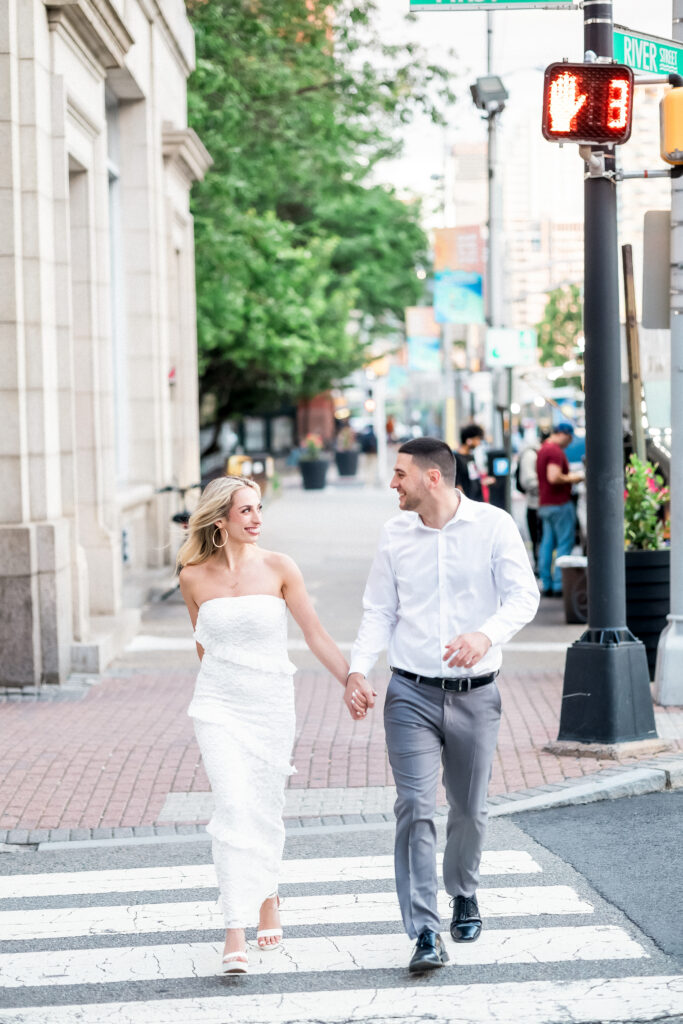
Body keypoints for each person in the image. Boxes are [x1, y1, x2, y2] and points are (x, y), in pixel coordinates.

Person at [346, 438, 539, 973]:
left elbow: (524, 596)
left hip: (476, 693)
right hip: (409, 692)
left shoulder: (494, 526)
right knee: (413, 807)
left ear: (433, 478)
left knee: (469, 809)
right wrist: (358, 668)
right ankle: (426, 930)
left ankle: (464, 889)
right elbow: (378, 610)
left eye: (400, 474)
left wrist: (485, 634)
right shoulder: (394, 534)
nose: (392, 483)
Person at [177, 476, 353, 975]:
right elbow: (202, 644)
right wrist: (223, 687)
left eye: (258, 509)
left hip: (271, 703)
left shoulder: (280, 567)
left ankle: (268, 894)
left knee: (264, 805)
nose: (256, 519)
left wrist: (350, 680)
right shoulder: (191, 576)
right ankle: (235, 925)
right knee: (232, 806)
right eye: (246, 511)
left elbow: (314, 633)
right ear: (220, 519)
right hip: (216, 705)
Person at [536, 423, 584, 597]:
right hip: (559, 503)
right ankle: (558, 585)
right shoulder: (555, 451)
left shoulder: (543, 449)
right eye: (570, 439)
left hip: (545, 503)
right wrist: (573, 478)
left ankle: (546, 582)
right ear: (564, 434)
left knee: (547, 544)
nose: (570, 443)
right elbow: (554, 476)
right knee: (564, 543)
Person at [516, 433, 546, 574]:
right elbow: (528, 481)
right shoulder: (531, 455)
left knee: (539, 538)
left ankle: (540, 567)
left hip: (538, 503)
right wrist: (546, 485)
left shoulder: (534, 453)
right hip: (535, 504)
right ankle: (540, 567)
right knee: (538, 538)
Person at [453, 424, 494, 502]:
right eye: (477, 439)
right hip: (467, 503)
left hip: (476, 500)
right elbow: (457, 484)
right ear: (469, 440)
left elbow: (473, 476)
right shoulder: (456, 458)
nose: (479, 443)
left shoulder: (471, 456)